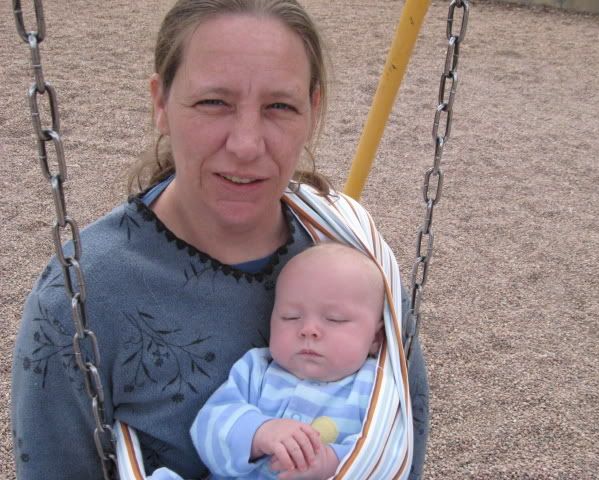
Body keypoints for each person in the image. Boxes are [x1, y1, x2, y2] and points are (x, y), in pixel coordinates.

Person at [11, 1, 429, 479]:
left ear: (312, 111)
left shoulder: (354, 260)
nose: (246, 144)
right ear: (161, 103)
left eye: (279, 106)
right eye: (214, 102)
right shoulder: (82, 298)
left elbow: (402, 442)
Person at [150, 243, 386, 480]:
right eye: (290, 316)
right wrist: (259, 432)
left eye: (335, 319)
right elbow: (209, 426)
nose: (308, 330)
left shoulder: (376, 387)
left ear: (375, 337)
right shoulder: (257, 369)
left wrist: (333, 463)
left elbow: (388, 454)